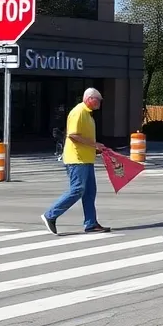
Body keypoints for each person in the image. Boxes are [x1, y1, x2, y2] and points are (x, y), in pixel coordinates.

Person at [42, 88, 110, 235]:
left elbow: (83, 137)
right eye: (98, 99)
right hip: (77, 159)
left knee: (90, 192)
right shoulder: (78, 112)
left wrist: (96, 146)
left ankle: (91, 223)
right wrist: (94, 145)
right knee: (77, 189)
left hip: (86, 158)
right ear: (90, 99)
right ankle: (50, 215)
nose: (100, 102)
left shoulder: (87, 114)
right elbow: (73, 135)